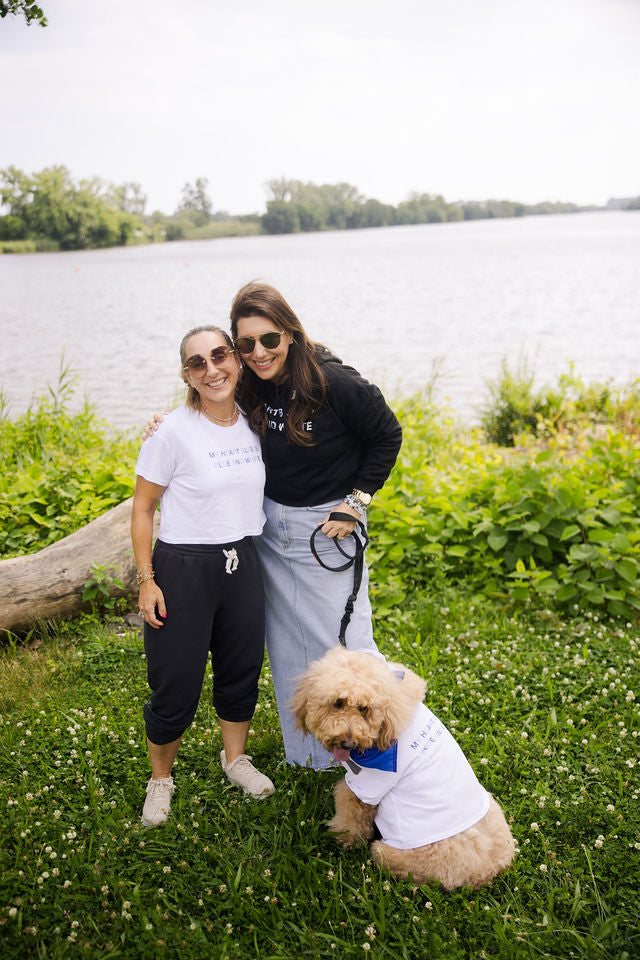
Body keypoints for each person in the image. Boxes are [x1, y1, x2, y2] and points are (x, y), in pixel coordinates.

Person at [229, 281, 402, 769]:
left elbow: (387, 434)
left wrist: (356, 502)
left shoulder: (332, 381)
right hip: (268, 525)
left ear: (290, 333)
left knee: (348, 642)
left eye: (268, 339)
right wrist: (169, 423)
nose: (258, 352)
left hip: (325, 528)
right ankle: (313, 757)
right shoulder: (250, 379)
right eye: (246, 343)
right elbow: (215, 411)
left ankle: (386, 747)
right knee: (286, 643)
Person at [131, 324, 275, 829]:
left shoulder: (257, 419)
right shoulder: (171, 430)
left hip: (242, 561)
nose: (212, 369)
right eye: (198, 363)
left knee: (240, 670)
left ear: (236, 359)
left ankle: (234, 759)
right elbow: (144, 508)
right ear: (186, 375)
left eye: (220, 356)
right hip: (183, 568)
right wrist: (147, 578)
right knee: (175, 682)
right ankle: (161, 779)